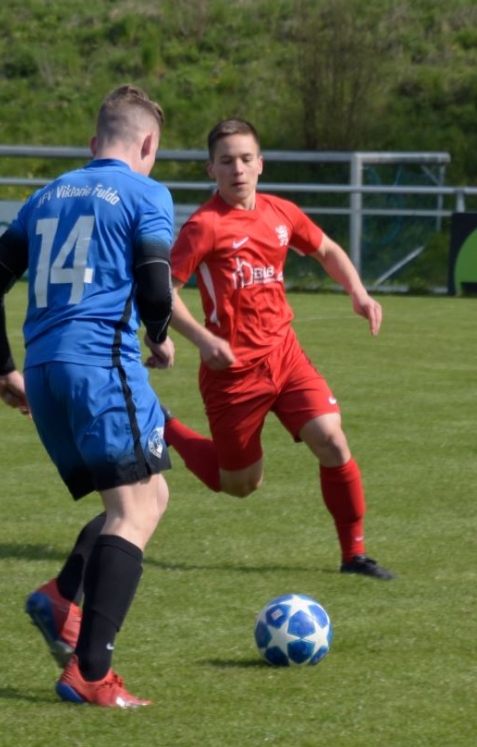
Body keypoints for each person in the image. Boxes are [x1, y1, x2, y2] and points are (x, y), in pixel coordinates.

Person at [0, 84, 175, 708]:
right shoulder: (146, 193)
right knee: (132, 513)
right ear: (148, 143)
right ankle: (90, 672)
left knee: (150, 494)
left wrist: (4, 369)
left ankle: (61, 597)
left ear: (94, 142)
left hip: (45, 370)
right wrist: (159, 336)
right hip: (101, 367)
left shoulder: (47, 194)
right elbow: (156, 287)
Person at [161, 117, 394, 579]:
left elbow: (326, 249)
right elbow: (163, 292)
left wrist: (359, 292)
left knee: (332, 439)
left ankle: (354, 556)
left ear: (260, 164)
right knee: (241, 485)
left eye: (246, 159)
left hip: (285, 357)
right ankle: (165, 426)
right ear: (211, 169)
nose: (237, 169)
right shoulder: (203, 226)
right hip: (232, 373)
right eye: (226, 161)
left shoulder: (280, 213)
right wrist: (203, 339)